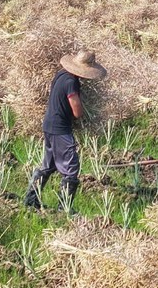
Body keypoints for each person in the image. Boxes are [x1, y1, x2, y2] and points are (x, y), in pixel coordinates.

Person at [24, 50, 107, 212]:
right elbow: (76, 109)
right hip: (60, 128)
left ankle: (30, 200)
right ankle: (65, 208)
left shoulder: (61, 75)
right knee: (71, 166)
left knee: (48, 164)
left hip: (49, 124)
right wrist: (83, 115)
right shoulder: (71, 82)